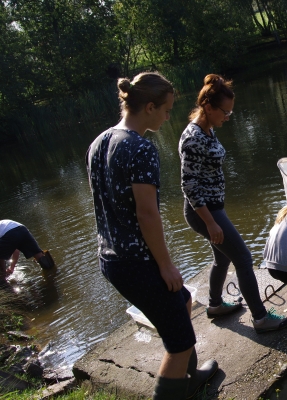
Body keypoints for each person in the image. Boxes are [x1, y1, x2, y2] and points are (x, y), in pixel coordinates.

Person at [86, 72, 217, 400]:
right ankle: (172, 391)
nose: (168, 116)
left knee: (184, 301)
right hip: (137, 262)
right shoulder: (140, 148)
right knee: (180, 342)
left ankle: (191, 376)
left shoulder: (99, 142)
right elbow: (147, 214)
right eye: (166, 110)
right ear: (148, 107)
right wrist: (165, 265)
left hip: (110, 258)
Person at [179, 74, 287, 333]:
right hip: (204, 212)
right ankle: (261, 318)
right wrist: (210, 222)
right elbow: (189, 186)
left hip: (213, 207)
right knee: (242, 258)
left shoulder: (207, 129)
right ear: (208, 108)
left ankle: (215, 304)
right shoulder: (193, 138)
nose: (228, 117)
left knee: (221, 259)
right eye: (225, 112)